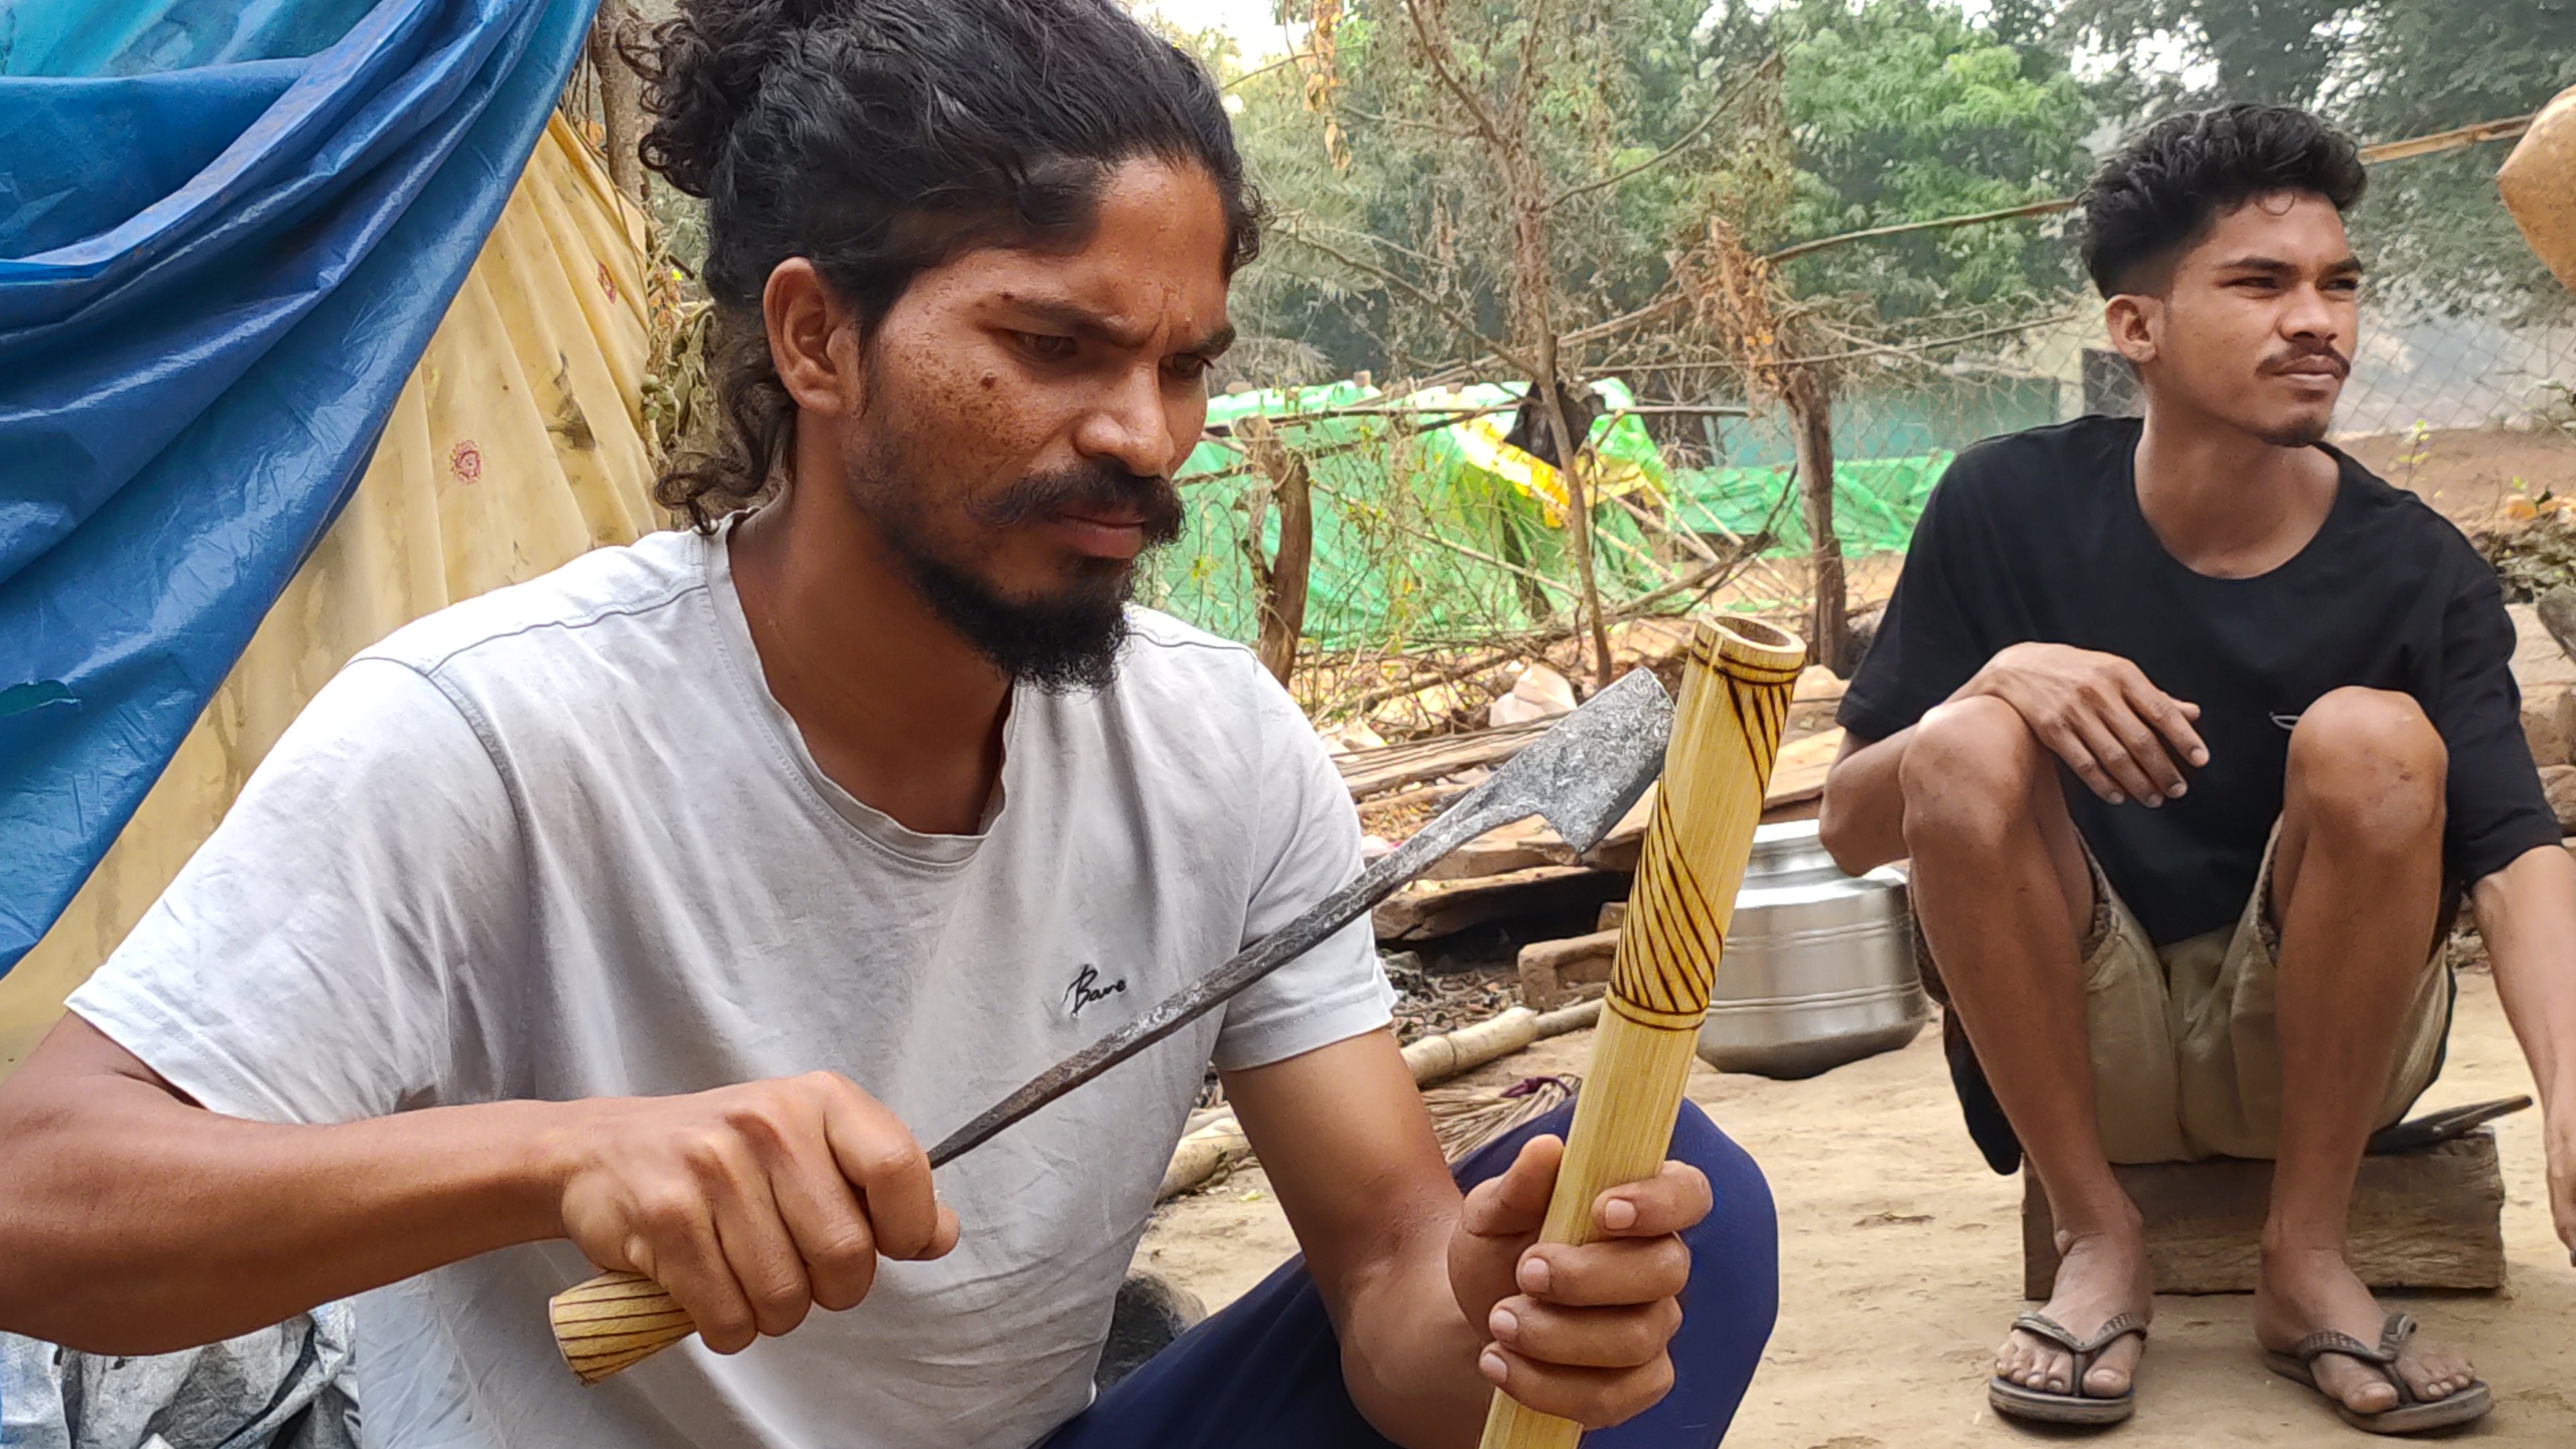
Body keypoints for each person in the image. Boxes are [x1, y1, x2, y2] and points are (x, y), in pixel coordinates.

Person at [0, 2, 1782, 1446]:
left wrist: (1489, 1316)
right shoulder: (491, 737)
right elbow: (37, 1196)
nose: (1146, 437)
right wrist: (562, 1153)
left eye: (1183, 366)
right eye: (1058, 347)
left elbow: (1395, 1296)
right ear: (815, 338)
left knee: (1672, 1206)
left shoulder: (1218, 752)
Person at [1819, 103, 2576, 1436]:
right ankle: (2100, 1231)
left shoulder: (2420, 570)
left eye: (2339, 284)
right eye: (2261, 282)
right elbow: (1842, 827)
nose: (2319, 320)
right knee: (1962, 737)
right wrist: (1997, 682)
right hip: (2073, 1050)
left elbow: (2517, 854)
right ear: (2137, 327)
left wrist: (2574, 1082)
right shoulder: (2006, 507)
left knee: (2378, 741)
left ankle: (2306, 1255)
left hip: (2316, 1050)